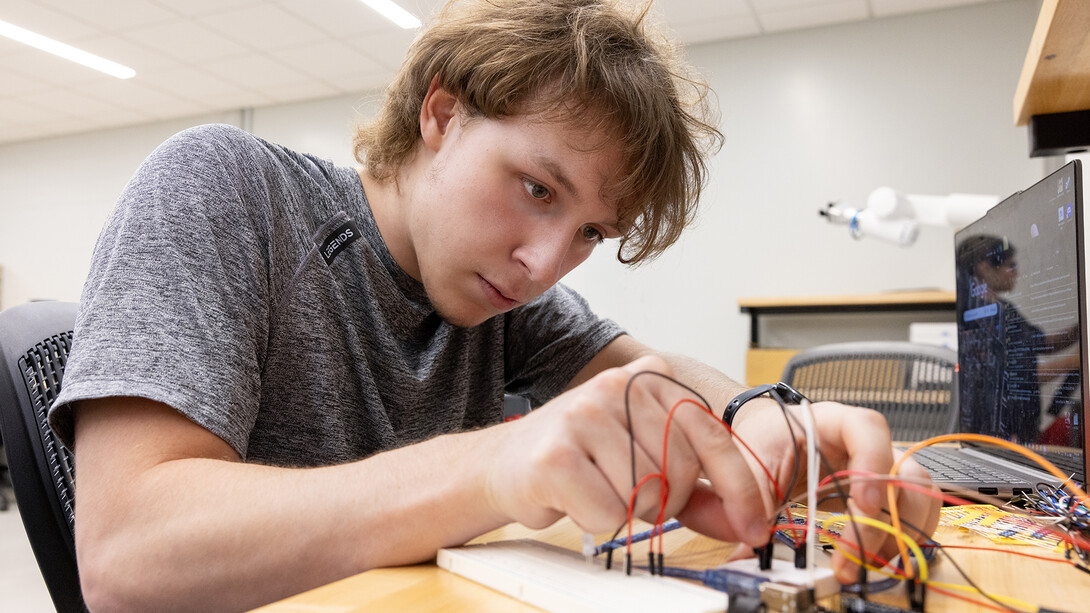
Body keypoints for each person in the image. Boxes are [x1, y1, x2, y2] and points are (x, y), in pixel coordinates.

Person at [49, 1, 940, 611]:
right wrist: (493, 466)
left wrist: (761, 415)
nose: (545, 262)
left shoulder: (495, 297)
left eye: (590, 232)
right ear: (443, 115)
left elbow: (653, 379)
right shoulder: (227, 187)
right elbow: (128, 557)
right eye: (537, 188)